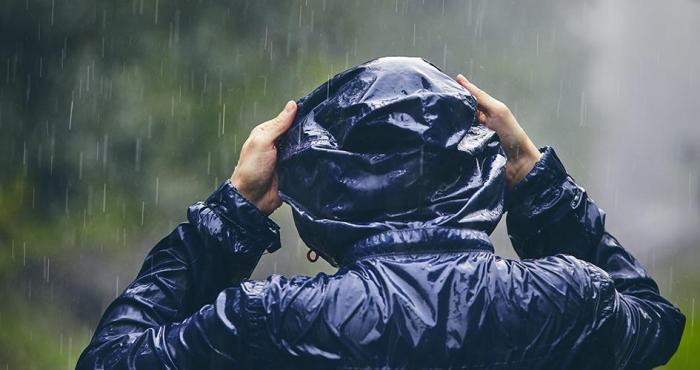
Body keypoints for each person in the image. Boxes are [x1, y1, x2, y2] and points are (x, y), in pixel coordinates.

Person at [77, 57, 684, 370]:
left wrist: (234, 209)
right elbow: (658, 325)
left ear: (322, 188)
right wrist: (533, 175)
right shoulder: (568, 300)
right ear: (480, 169)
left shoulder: (274, 319)